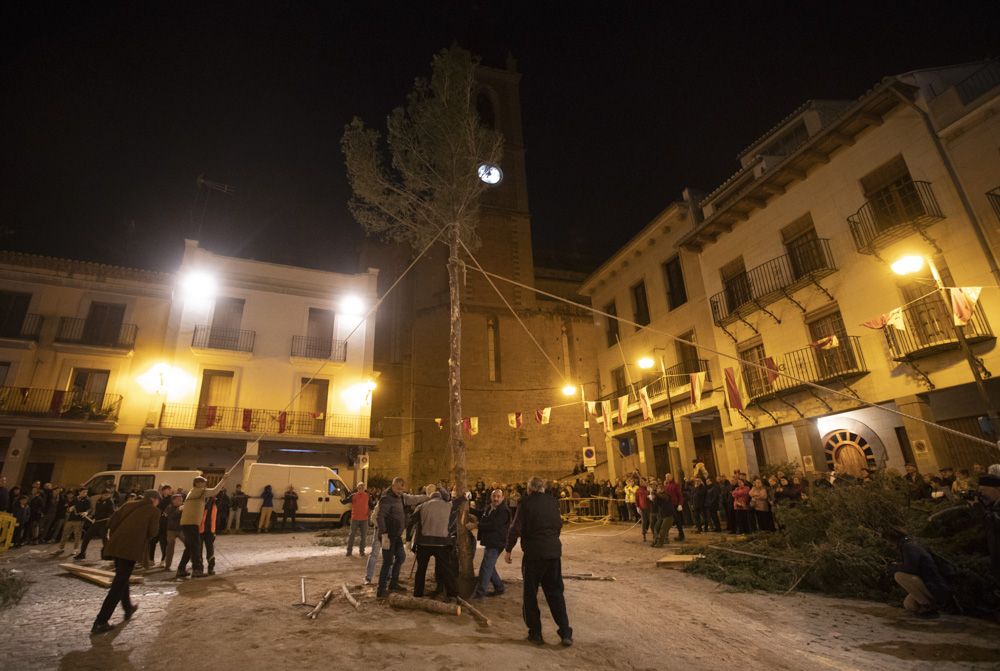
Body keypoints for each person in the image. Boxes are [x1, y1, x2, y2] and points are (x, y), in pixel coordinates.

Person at [505, 476, 572, 646]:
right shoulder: (552, 501)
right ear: (542, 488)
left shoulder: (525, 503)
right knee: (556, 593)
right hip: (553, 553)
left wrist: (508, 548)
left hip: (534, 555)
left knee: (530, 594)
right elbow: (558, 524)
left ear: (529, 489)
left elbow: (515, 527)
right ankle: (565, 632)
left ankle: (535, 633)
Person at [91, 490, 161, 634]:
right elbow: (153, 533)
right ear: (153, 499)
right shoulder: (153, 511)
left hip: (116, 545)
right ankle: (101, 621)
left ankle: (128, 607)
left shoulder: (129, 504)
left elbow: (111, 522)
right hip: (131, 549)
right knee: (119, 583)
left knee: (122, 578)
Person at [375, 477, 429, 598]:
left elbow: (414, 498)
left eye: (402, 489)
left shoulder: (401, 497)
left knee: (401, 557)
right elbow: (380, 517)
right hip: (388, 535)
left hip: (396, 535)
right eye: (398, 488)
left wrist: (428, 497)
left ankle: (393, 584)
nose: (400, 491)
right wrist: (384, 534)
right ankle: (381, 589)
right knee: (388, 562)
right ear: (393, 486)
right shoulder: (386, 498)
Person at [886, 527, 954, 618]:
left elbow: (910, 568)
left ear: (892, 538)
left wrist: (894, 567)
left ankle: (928, 607)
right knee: (909, 605)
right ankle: (927, 605)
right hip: (932, 585)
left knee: (899, 576)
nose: (887, 543)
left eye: (887, 540)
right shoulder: (911, 543)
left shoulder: (908, 546)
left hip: (934, 586)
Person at [411, 485, 459, 600]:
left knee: (421, 569)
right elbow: (459, 501)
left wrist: (410, 541)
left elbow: (412, 521)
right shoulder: (448, 505)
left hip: (424, 543)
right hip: (442, 543)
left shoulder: (422, 506)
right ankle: (451, 593)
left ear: (429, 496)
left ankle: (418, 593)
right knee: (446, 569)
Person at [176, 474, 227, 579]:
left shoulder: (192, 492)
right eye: (204, 482)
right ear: (198, 483)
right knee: (195, 547)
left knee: (189, 547)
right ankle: (197, 570)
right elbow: (215, 491)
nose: (205, 485)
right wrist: (224, 479)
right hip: (192, 523)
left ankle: (181, 569)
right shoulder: (199, 491)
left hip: (187, 523)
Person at [468, 487, 510, 599]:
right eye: (494, 496)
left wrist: (476, 525)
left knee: (486, 567)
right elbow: (482, 514)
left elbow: (494, 525)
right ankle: (499, 587)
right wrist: (469, 509)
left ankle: (480, 593)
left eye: (498, 496)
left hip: (496, 542)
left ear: (502, 498)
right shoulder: (491, 507)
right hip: (490, 541)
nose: (496, 499)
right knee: (490, 566)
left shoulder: (503, 511)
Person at [75, 489, 115, 560]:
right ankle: (82, 553)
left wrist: (108, 518)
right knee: (86, 537)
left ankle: (108, 554)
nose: (107, 496)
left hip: (104, 523)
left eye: (108, 494)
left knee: (104, 539)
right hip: (96, 522)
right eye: (105, 494)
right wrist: (93, 517)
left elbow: (112, 513)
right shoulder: (99, 501)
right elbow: (97, 511)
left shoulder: (110, 502)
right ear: (102, 494)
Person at [342, 482, 370, 557]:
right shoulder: (353, 496)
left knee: (363, 536)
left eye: (362, 487)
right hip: (355, 519)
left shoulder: (367, 496)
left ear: (364, 489)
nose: (361, 489)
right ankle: (349, 551)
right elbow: (344, 502)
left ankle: (362, 551)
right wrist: (342, 498)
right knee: (351, 536)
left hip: (364, 519)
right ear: (357, 488)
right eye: (359, 487)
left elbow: (371, 505)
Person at [163, 493, 184, 570]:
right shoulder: (169, 507)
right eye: (179, 500)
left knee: (189, 544)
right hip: (171, 530)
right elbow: (171, 517)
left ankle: (193, 562)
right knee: (170, 547)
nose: (181, 501)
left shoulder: (183, 507)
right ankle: (167, 565)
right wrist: (178, 510)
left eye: (181, 500)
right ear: (173, 500)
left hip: (181, 529)